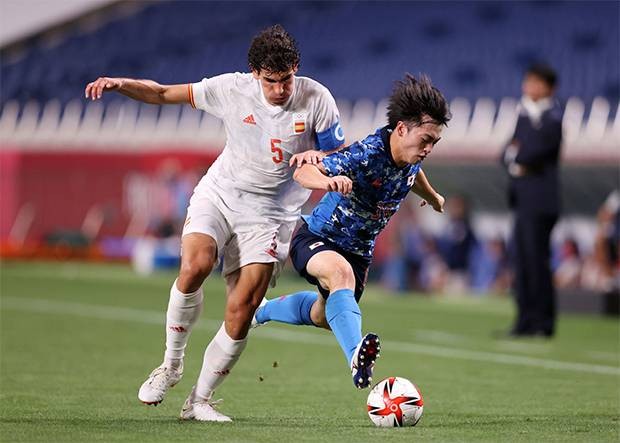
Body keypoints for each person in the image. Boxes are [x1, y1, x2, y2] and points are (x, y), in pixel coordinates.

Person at [85, 25, 345, 421]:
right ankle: (170, 366)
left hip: (271, 215)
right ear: (255, 74)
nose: (280, 90)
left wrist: (321, 162)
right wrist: (122, 84)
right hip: (221, 194)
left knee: (242, 309)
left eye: (287, 79)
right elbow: (161, 93)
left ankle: (199, 401)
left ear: (296, 68)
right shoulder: (230, 89)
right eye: (271, 82)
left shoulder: (317, 99)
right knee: (195, 265)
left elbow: (337, 154)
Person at [253, 74, 451, 388]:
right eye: (425, 140)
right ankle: (356, 357)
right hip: (318, 237)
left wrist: (434, 198)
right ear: (401, 128)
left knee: (322, 315)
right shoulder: (366, 154)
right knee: (339, 275)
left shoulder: (410, 154)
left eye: (433, 143)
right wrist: (328, 182)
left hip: (358, 255)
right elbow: (305, 171)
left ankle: (262, 310)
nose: (428, 149)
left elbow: (414, 173)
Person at [501, 63, 562, 337]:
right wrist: (517, 156)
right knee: (522, 261)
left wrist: (518, 155)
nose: (528, 87)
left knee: (537, 262)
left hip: (541, 201)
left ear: (548, 87)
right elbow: (506, 152)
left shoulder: (552, 117)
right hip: (523, 200)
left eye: (534, 82)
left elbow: (532, 152)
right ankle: (524, 320)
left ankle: (543, 323)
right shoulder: (525, 115)